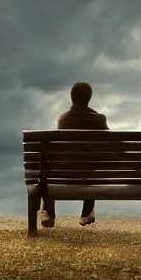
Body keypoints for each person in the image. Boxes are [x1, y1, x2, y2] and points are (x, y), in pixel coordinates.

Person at [39, 82, 109, 228]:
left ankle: (48, 212)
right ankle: (87, 212)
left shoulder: (63, 120)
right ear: (89, 98)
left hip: (63, 175)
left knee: (46, 171)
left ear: (72, 98)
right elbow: (112, 148)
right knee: (90, 165)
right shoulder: (99, 120)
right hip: (89, 176)